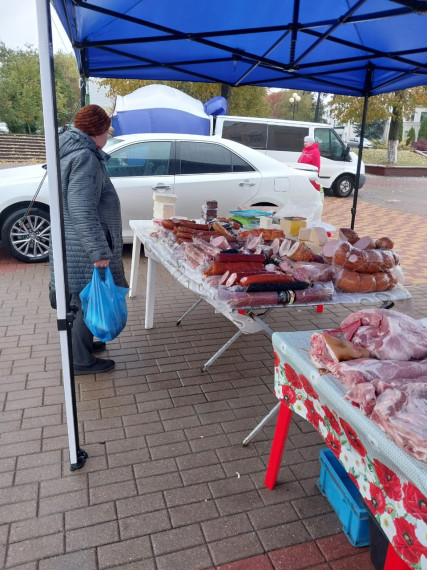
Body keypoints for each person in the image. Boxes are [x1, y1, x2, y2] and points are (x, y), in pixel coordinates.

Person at [49, 104, 128, 375]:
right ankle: (81, 360)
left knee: (81, 300)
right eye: (107, 130)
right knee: (87, 301)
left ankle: (82, 346)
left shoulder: (70, 150)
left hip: (72, 242)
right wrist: (99, 251)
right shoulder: (85, 157)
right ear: (97, 131)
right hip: (83, 246)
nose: (108, 135)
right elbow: (82, 209)